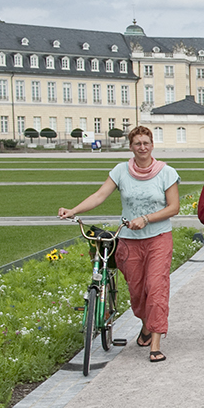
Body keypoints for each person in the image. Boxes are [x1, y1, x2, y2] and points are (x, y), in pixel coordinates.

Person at [58, 125, 180, 363]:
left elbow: (173, 207)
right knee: (136, 293)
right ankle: (146, 324)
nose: (142, 147)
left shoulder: (166, 172)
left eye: (146, 143)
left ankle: (155, 343)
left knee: (156, 288)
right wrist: (73, 210)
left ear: (152, 145)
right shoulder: (121, 171)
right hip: (129, 241)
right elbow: (99, 195)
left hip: (158, 239)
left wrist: (146, 219)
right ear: (131, 146)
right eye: (137, 143)